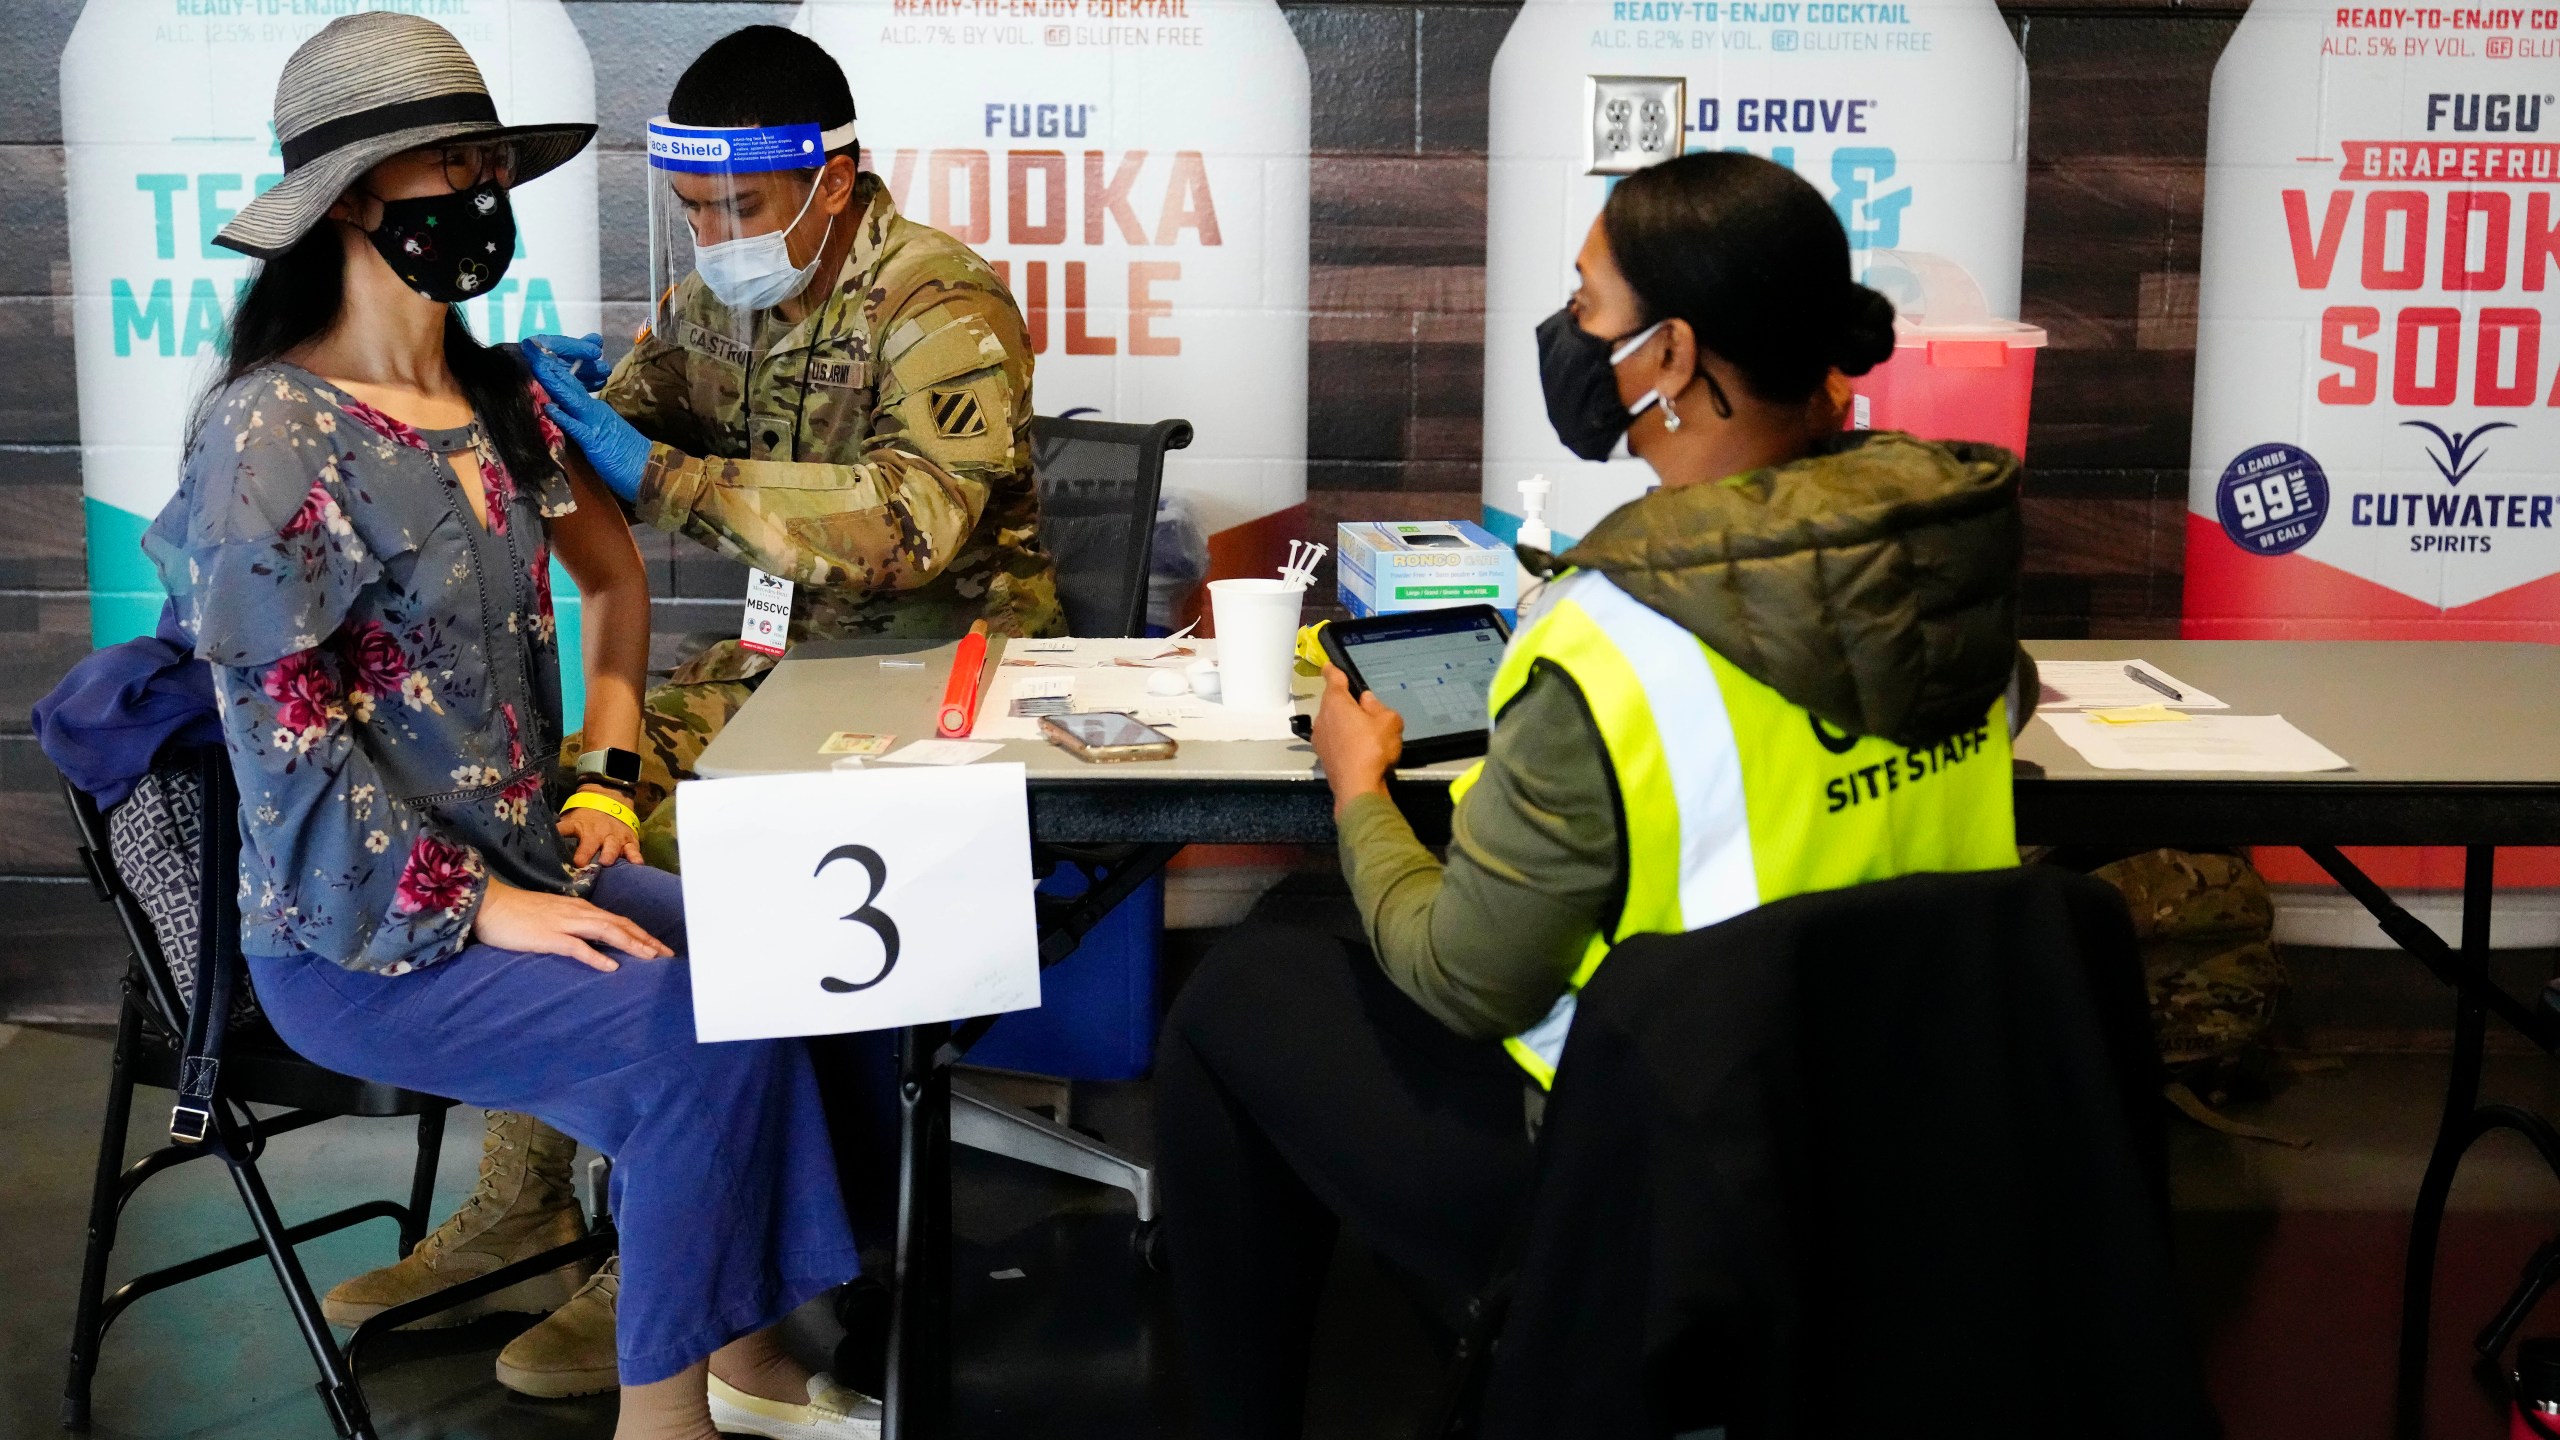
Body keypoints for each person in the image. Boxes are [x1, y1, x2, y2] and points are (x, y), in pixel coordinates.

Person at [1154, 150, 2033, 1438]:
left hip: (1664, 1189)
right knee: (1307, 949)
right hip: (1909, 1150)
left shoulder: (1611, 632)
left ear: (1671, 355)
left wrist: (1358, 793)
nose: (1570, 334)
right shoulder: (1950, 558)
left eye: (1587, 304)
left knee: (1237, 997)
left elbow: (1471, 981)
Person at [155, 16, 875, 1439]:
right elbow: (285, 752)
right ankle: (665, 1418)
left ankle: (748, 1355)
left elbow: (613, 582)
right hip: (358, 933)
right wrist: (488, 901)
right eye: (450, 167)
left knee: (786, 959)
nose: (482, 197)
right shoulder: (268, 436)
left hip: (533, 860)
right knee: (680, 1020)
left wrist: (602, 775)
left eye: (494, 165)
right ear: (355, 197)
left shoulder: (490, 401)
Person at [332, 26, 1051, 1395]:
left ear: (830, 184)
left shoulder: (943, 302)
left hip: (939, 677)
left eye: (742, 208)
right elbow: (633, 415)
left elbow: (918, 521)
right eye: (696, 209)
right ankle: (533, 1194)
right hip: (785, 672)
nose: (715, 235)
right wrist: (550, 404)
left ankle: (673, 1252)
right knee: (554, 812)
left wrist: (660, 475)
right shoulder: (719, 295)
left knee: (678, 847)